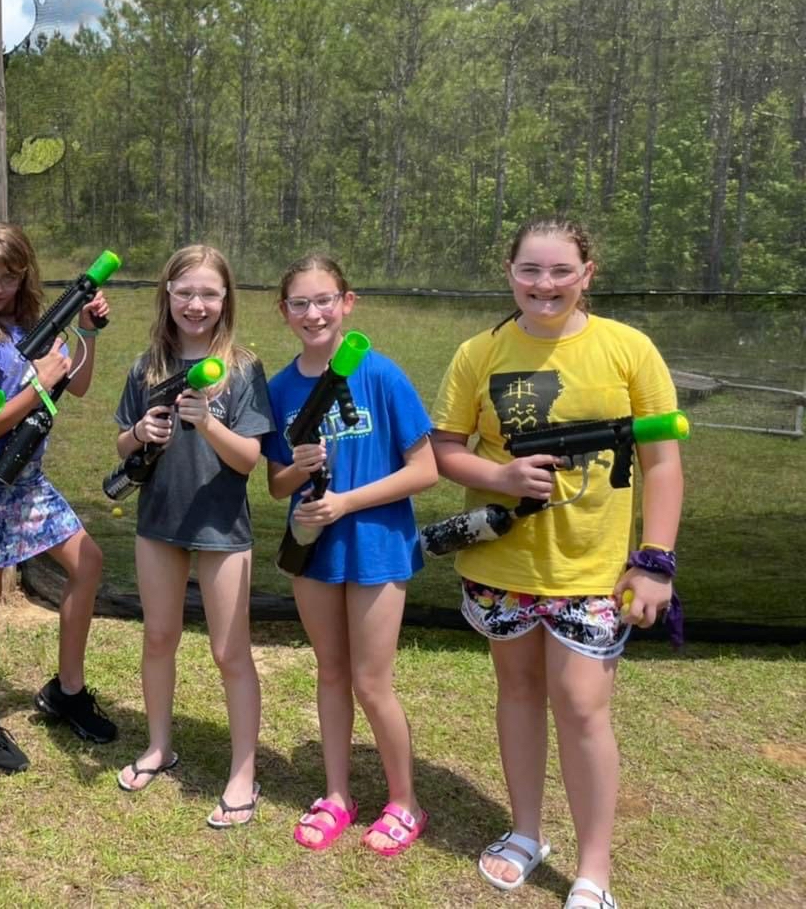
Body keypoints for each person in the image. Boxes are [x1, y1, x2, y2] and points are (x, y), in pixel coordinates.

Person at [431, 218, 683, 909]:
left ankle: (593, 870)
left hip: (593, 573)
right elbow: (445, 449)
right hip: (501, 565)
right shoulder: (478, 353)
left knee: (581, 707)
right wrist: (502, 477)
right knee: (516, 694)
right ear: (509, 272)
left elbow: (663, 462)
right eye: (530, 271)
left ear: (587, 273)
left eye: (560, 271)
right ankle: (525, 833)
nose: (545, 285)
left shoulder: (628, 350)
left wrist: (655, 562)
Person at [262, 254, 437, 856]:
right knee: (331, 671)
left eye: (324, 300)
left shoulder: (381, 375)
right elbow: (276, 485)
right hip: (313, 549)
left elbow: (426, 469)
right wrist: (299, 475)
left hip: (378, 547)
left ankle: (405, 803)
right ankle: (337, 795)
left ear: (347, 303)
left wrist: (345, 503)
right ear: (283, 313)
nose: (314, 313)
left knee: (371, 680)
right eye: (300, 304)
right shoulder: (280, 389)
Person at [0, 222, 116, 773]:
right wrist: (38, 381)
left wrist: (85, 332)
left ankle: (67, 690)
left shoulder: (31, 329)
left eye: (8, 276)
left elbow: (80, 384)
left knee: (88, 563)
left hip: (29, 482)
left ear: (25, 275)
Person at [113, 245, 273, 828]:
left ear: (226, 299)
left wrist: (208, 422)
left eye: (208, 293)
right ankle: (159, 747)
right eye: (185, 292)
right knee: (158, 637)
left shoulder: (243, 367)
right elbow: (121, 446)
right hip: (159, 523)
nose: (196, 304)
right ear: (168, 295)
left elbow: (250, 459)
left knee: (230, 651)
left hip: (222, 528)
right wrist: (139, 430)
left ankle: (243, 772)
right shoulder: (147, 365)